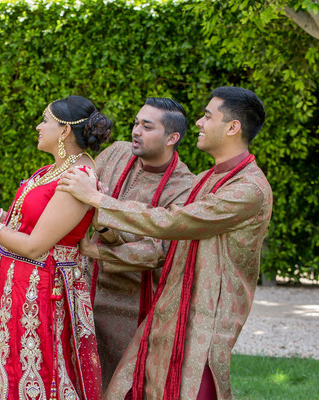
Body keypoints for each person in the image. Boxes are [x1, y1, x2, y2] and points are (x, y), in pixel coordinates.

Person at [58, 86, 273, 400]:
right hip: (170, 310)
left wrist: (98, 201)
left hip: (202, 322)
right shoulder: (208, 178)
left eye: (207, 116)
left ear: (232, 127)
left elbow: (173, 223)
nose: (198, 122)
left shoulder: (247, 189)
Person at [0, 95, 112, 400]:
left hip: (40, 294)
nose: (39, 126)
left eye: (45, 120)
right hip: (18, 289)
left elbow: (36, 246)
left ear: (64, 131)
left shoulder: (76, 180)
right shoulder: (49, 172)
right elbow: (21, 226)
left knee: (37, 373)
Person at [82, 98, 196, 387]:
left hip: (132, 306)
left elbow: (158, 251)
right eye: (136, 123)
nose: (136, 131)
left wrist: (93, 248)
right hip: (83, 291)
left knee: (120, 386)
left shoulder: (185, 187)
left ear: (172, 138)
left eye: (147, 126)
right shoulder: (116, 153)